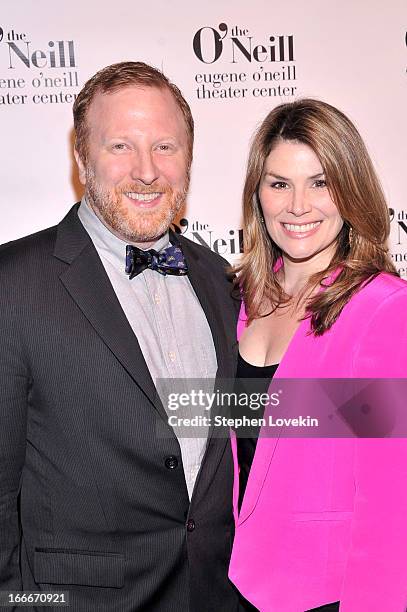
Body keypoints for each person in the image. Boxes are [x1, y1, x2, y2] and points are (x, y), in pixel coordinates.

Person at [0, 61, 242, 611]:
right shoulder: (13, 284)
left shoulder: (217, 278)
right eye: (120, 147)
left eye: (164, 147)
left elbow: (236, 439)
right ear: (82, 159)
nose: (147, 171)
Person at [228, 99, 407, 611]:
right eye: (279, 183)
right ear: (258, 194)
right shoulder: (241, 299)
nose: (298, 205)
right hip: (235, 584)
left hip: (326, 595)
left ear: (351, 190)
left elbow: (391, 504)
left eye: (321, 182)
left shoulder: (382, 310)